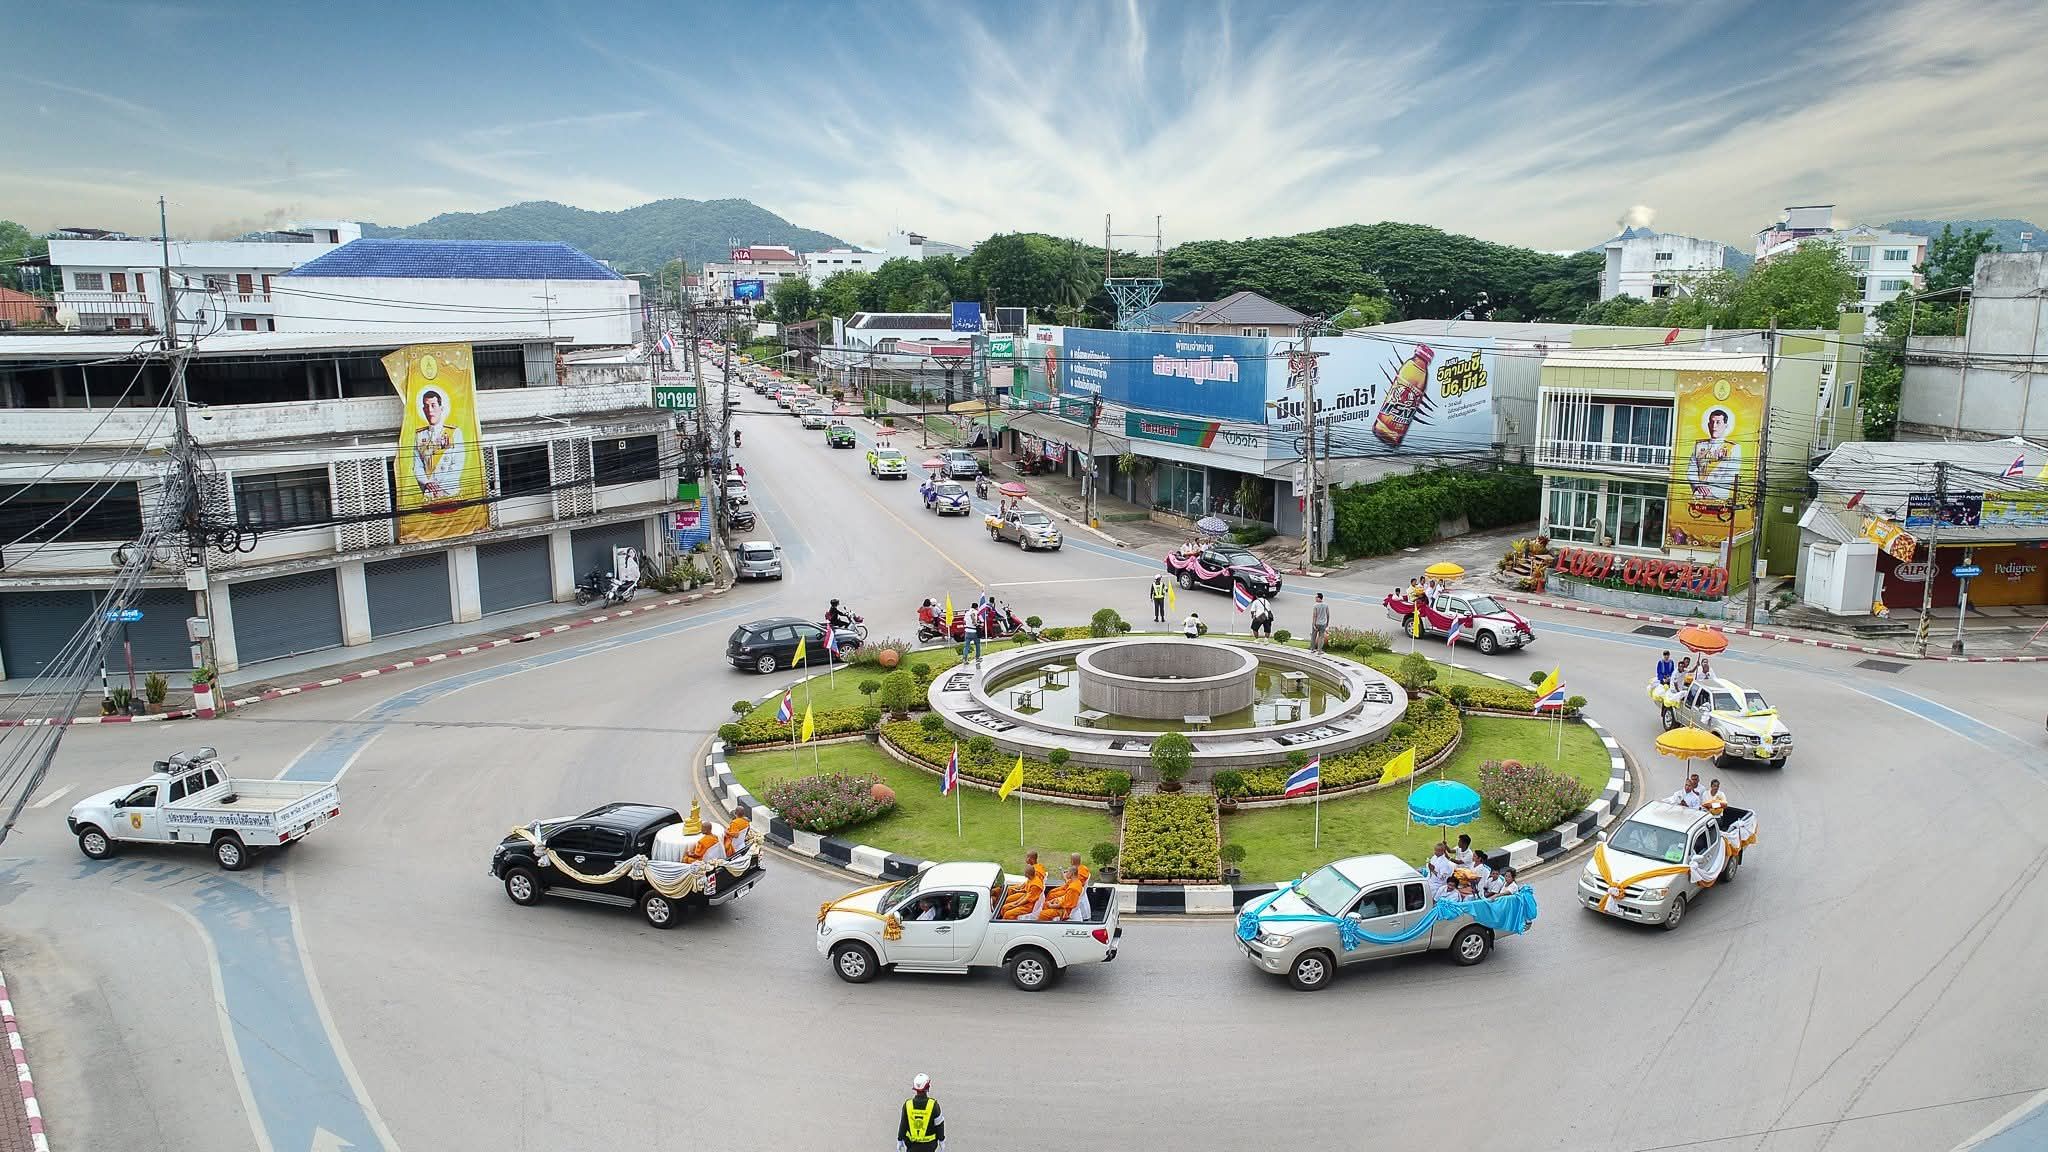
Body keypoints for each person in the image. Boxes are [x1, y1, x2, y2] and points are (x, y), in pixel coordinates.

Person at [411, 387, 468, 502]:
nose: (430, 410)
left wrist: (440, 488)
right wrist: (427, 484)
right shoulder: (419, 436)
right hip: (429, 494)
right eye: (426, 406)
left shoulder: (454, 433)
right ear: (423, 410)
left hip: (450, 492)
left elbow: (457, 465)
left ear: (441, 408)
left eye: (433, 405)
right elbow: (417, 466)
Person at [897, 1073, 946, 1152]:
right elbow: (939, 1125)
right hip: (929, 1146)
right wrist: (941, 1140)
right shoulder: (933, 1105)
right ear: (928, 1087)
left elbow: (903, 1124)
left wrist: (900, 1139)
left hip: (912, 1145)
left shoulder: (907, 1104)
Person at [1037, 854, 1092, 921]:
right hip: (1064, 901)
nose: (1066, 874)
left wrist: (1053, 905)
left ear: (1072, 874)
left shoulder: (1073, 888)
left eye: (1068, 872)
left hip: (1065, 910)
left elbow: (1068, 904)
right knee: (1048, 900)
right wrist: (1055, 899)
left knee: (1042, 914)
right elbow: (1067, 897)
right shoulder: (1074, 881)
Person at [1000, 853, 1045, 919]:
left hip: (1028, 906)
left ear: (1028, 874)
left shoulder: (1035, 886)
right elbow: (1026, 894)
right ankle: (1002, 917)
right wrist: (1016, 902)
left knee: (1007, 913)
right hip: (1024, 900)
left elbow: (1027, 899)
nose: (1024, 875)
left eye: (1025, 873)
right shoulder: (1032, 879)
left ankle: (1005, 923)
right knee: (1005, 906)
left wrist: (1016, 905)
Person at [960, 599, 983, 665]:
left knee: (966, 646)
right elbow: (975, 622)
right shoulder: (975, 612)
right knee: (977, 644)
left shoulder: (967, 613)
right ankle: (977, 657)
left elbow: (964, 621)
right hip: (974, 631)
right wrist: (979, 624)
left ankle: (965, 659)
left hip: (967, 631)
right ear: (976, 607)